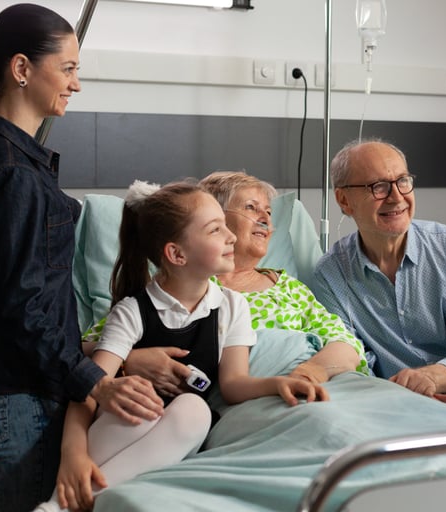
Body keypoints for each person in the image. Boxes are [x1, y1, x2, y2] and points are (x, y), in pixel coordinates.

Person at [0, 5, 163, 511]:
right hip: (12, 402)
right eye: (67, 69)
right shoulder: (13, 173)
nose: (76, 84)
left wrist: (88, 352)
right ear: (21, 69)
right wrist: (98, 385)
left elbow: (15, 293)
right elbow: (24, 305)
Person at [36, 180, 326, 512]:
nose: (230, 236)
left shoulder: (232, 307)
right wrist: (72, 455)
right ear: (177, 253)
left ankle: (66, 506)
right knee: (145, 408)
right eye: (216, 229)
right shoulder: (132, 311)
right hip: (117, 430)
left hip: (178, 430)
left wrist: (281, 383)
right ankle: (64, 505)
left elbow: (233, 384)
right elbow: (88, 385)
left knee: (195, 410)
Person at [311, 139, 446, 423]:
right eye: (378, 186)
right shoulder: (331, 274)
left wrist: (432, 377)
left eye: (403, 181)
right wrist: (405, 391)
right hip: (394, 402)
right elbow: (354, 361)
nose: (396, 197)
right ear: (344, 200)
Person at [105, 171, 367, 398]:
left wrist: (310, 373)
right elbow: (96, 346)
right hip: (239, 404)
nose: (265, 218)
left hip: (307, 389)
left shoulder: (289, 288)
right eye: (251, 208)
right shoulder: (175, 291)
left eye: (269, 211)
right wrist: (131, 360)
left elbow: (345, 344)